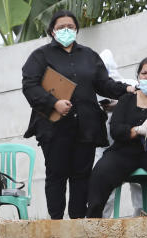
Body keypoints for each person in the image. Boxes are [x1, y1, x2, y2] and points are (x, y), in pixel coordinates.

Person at [21, 10, 132, 220]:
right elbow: (30, 86)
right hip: (53, 127)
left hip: (86, 126)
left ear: (76, 30)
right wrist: (54, 103)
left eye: (70, 27)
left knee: (82, 176)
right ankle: (55, 222)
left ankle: (78, 222)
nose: (66, 30)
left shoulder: (89, 55)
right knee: (56, 174)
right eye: (61, 27)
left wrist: (125, 89)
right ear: (52, 31)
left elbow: (103, 84)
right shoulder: (40, 56)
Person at [86, 57, 147, 218]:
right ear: (138, 76)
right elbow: (116, 130)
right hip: (125, 152)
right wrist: (137, 130)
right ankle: (92, 219)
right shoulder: (126, 100)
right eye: (144, 73)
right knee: (101, 170)